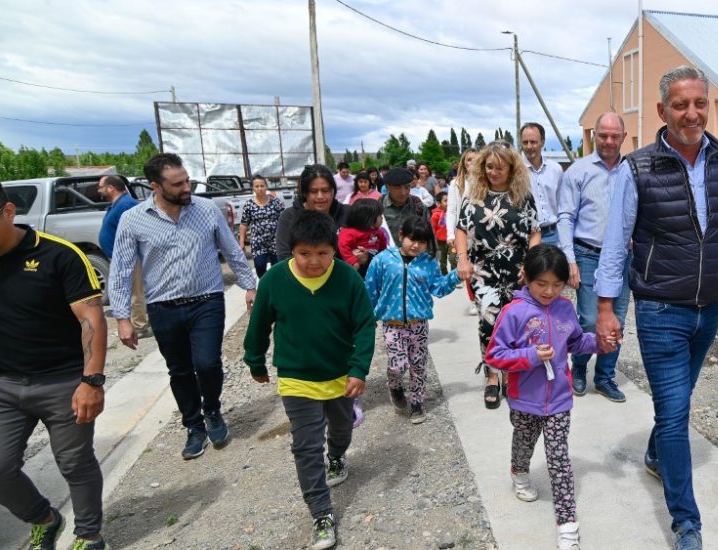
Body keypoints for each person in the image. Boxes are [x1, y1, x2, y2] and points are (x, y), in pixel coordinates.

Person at [594, 66, 718, 550]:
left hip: (709, 307)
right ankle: (686, 524)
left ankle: (656, 454)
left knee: (675, 404)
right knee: (676, 413)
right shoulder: (638, 169)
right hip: (660, 310)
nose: (692, 113)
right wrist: (605, 307)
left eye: (700, 103)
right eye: (681, 105)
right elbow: (615, 244)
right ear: (663, 110)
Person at [0, 175, 110, 550]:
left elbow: (91, 319)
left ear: (8, 211)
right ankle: (44, 518)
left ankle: (89, 535)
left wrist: (91, 381)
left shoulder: (59, 255)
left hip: (63, 382)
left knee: (74, 463)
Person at [110, 152, 259, 460]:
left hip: (207, 300)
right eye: (177, 184)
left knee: (207, 363)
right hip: (162, 307)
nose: (186, 188)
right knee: (179, 370)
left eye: (187, 181)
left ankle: (212, 410)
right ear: (155, 186)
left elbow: (231, 250)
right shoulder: (133, 219)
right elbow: (121, 269)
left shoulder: (206, 210)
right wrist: (123, 317)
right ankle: (193, 426)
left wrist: (250, 286)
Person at [243, 209, 376, 550]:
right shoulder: (274, 281)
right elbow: (259, 324)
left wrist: (358, 369)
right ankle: (321, 514)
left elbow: (364, 325)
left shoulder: (347, 278)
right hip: (296, 378)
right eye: (304, 253)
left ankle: (337, 455)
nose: (313, 261)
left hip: (340, 376)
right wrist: (254, 359)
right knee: (306, 446)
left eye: (322, 253)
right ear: (292, 250)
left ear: (334, 250)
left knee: (341, 427)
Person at [484, 244, 609, 550]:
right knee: (524, 442)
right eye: (542, 283)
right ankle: (519, 472)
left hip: (559, 400)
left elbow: (576, 342)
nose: (550, 291)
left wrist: (599, 343)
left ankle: (567, 525)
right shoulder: (514, 312)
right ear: (526, 277)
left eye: (557, 284)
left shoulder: (565, 308)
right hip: (524, 400)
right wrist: (530, 356)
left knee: (559, 459)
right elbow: (494, 355)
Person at [455, 142, 541, 409]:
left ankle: (511, 373)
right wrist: (462, 259)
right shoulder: (474, 195)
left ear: (512, 168)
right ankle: (492, 375)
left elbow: (535, 232)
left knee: (516, 325)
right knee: (489, 324)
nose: (493, 172)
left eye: (499, 167)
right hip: (484, 272)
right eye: (489, 166)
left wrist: (531, 264)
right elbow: (461, 228)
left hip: (518, 272)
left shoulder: (523, 196)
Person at [558, 112, 632, 402]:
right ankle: (579, 366)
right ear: (594, 135)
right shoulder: (578, 171)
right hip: (588, 254)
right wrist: (569, 259)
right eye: (603, 135)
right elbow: (566, 217)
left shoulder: (632, 170)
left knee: (617, 320)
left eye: (615, 136)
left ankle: (604, 376)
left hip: (623, 258)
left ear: (623, 137)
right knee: (589, 319)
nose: (609, 141)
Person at [364, 216, 460, 424]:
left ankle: (417, 403)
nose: (416, 245)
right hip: (392, 325)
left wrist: (456, 276)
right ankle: (395, 386)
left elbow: (439, 288)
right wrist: (367, 317)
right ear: (401, 236)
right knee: (397, 365)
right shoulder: (382, 260)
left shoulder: (429, 263)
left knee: (418, 365)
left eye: (422, 242)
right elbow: (370, 290)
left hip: (419, 325)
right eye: (412, 239)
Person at [97, 174, 149, 337]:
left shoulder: (126, 205)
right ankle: (136, 322)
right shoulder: (118, 204)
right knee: (130, 291)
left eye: (100, 187)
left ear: (110, 188)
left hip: (131, 258)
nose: (98, 190)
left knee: (135, 292)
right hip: (122, 257)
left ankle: (140, 327)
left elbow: (140, 229)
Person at [275, 164, 350, 261]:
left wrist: (364, 257)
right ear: (305, 193)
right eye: (314, 191)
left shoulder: (348, 213)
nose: (320, 196)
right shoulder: (289, 217)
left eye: (325, 190)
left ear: (333, 191)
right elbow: (284, 256)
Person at [446, 148, 480, 316]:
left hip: (483, 231)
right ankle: (473, 300)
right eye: (468, 159)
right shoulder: (456, 183)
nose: (472, 162)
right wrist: (450, 234)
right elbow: (451, 210)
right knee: (468, 265)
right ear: (464, 163)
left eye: (475, 159)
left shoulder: (486, 181)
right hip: (464, 232)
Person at [522, 123, 563, 246]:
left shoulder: (556, 170)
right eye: (525, 142)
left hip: (554, 235)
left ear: (542, 142)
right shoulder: (515, 171)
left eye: (533, 142)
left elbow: (562, 205)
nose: (529, 146)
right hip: (526, 236)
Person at [240, 174, 286, 278]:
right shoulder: (249, 205)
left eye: (262, 186)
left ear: (266, 187)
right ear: (253, 188)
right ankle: (264, 284)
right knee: (260, 266)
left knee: (278, 268)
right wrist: (241, 242)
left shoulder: (275, 202)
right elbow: (243, 224)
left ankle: (276, 286)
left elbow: (285, 219)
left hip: (275, 241)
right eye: (257, 186)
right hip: (258, 243)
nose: (260, 189)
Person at [337, 198, 390, 277]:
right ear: (368, 218)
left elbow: (383, 249)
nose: (382, 218)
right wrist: (351, 260)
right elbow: (343, 245)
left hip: (374, 264)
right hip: (357, 266)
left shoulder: (379, 232)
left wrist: (381, 259)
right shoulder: (349, 232)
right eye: (379, 215)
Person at [379, 167, 427, 239]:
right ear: (387, 187)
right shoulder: (378, 208)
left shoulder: (418, 206)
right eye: (397, 188)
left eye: (407, 187)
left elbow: (428, 234)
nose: (403, 193)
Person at [430, 191, 456, 275]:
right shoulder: (435, 215)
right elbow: (433, 229)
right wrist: (433, 243)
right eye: (445, 201)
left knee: (453, 258)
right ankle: (445, 276)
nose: (448, 203)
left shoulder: (453, 213)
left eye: (449, 200)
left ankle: (454, 276)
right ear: (439, 203)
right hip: (440, 243)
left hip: (452, 242)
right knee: (442, 261)